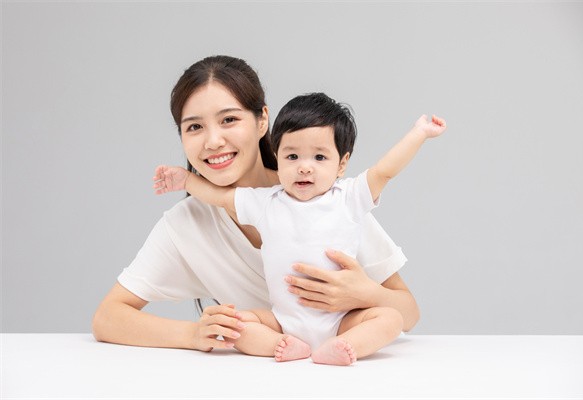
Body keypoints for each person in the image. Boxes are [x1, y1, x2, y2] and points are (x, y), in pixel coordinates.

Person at [92, 55, 421, 359]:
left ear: (263, 120)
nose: (213, 141)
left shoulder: (328, 199)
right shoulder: (186, 224)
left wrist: (365, 293)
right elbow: (107, 318)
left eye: (229, 119)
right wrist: (194, 334)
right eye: (194, 126)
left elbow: (408, 312)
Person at [153, 92, 446, 365]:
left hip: (342, 320)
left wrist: (419, 133)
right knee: (237, 325)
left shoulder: (349, 198)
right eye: (292, 157)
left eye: (319, 157)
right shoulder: (265, 202)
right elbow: (219, 197)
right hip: (282, 322)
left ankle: (345, 345)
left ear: (341, 164)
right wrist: (186, 181)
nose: (305, 167)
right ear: (277, 156)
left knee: (390, 319)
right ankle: (281, 345)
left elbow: (385, 170)